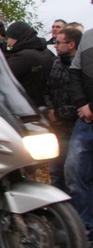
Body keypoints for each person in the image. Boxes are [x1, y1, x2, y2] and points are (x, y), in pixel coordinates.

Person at [65, 22, 93, 248]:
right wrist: (82, 105)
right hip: (85, 120)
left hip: (88, 113)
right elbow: (74, 73)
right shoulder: (88, 37)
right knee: (74, 173)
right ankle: (82, 229)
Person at [44, 27, 82, 191]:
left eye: (59, 43)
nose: (56, 46)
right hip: (55, 129)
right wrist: (50, 110)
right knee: (55, 173)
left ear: (72, 44)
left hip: (75, 128)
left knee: (74, 175)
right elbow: (46, 89)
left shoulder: (82, 67)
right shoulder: (56, 64)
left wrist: (61, 113)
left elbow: (82, 99)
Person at [5, 21, 54, 108]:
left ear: (15, 37)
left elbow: (3, 76)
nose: (7, 42)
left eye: (8, 38)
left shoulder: (23, 57)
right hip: (46, 103)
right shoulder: (46, 52)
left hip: (27, 106)